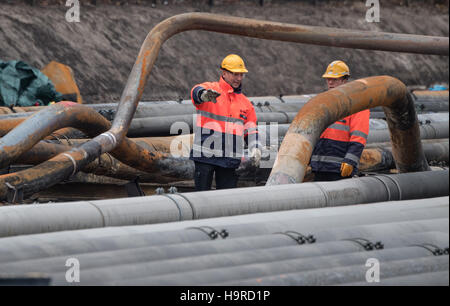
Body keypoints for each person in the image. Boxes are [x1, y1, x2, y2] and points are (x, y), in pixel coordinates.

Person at [190, 54, 261, 191]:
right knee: (200, 198)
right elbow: (195, 92)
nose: (239, 78)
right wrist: (202, 95)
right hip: (206, 157)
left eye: (241, 75)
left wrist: (255, 147)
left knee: (227, 200)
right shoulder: (211, 90)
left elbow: (251, 130)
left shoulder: (245, 103)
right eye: (235, 74)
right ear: (224, 73)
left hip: (229, 160)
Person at [310, 60, 370, 181]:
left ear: (344, 80)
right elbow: (312, 133)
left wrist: (350, 161)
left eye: (335, 79)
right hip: (319, 166)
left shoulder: (357, 105)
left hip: (340, 168)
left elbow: (359, 138)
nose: (330, 82)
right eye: (328, 79)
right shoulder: (322, 102)